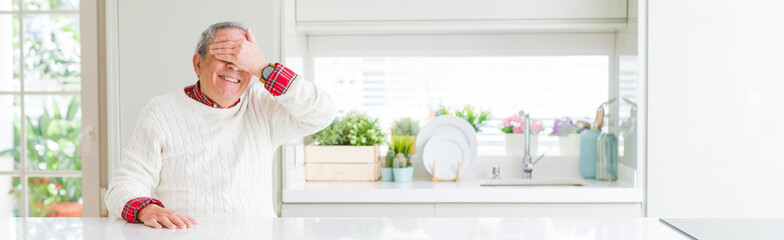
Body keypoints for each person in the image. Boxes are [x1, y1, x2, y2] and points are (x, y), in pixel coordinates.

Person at [104, 22, 335, 229]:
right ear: (198, 63)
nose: (234, 66)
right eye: (225, 55)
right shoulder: (161, 111)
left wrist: (263, 68)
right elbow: (123, 187)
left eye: (243, 60)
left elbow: (322, 113)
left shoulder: (263, 105)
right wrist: (147, 209)